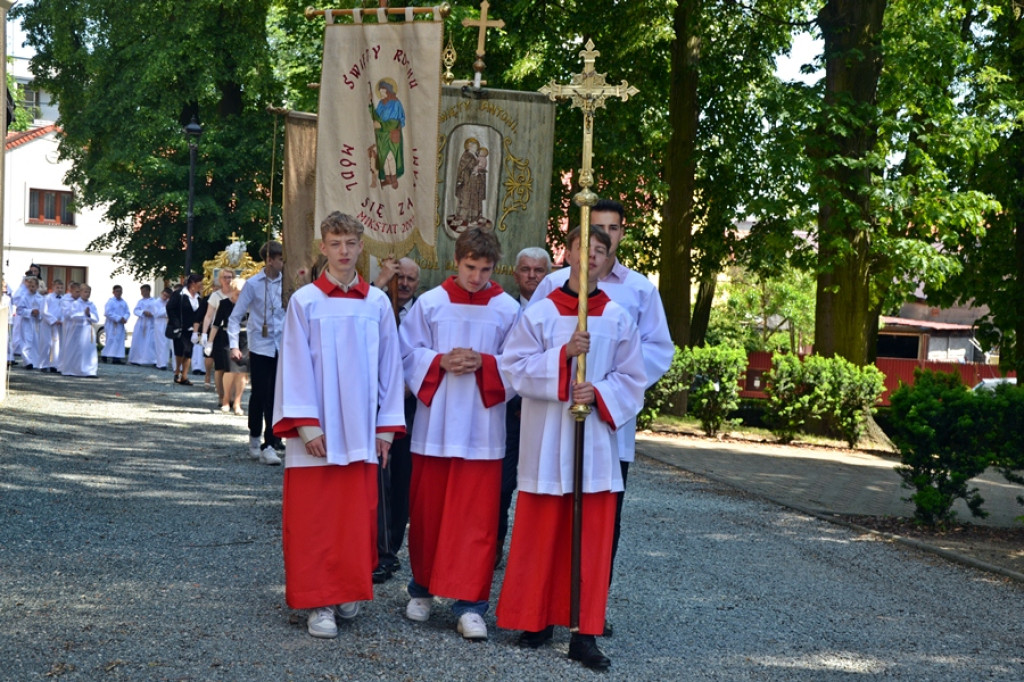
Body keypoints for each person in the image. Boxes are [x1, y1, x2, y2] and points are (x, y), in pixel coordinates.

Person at [496, 227, 645, 670]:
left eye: (601, 251)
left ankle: (585, 632)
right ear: (569, 253)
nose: (592, 257)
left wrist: (596, 395)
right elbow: (513, 369)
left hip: (594, 443)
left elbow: (632, 379)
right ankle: (536, 619)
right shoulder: (541, 312)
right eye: (585, 249)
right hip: (545, 439)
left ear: (607, 260)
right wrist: (562, 356)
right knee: (541, 534)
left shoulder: (618, 317)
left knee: (591, 540)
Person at [529, 199, 673, 631]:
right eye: (594, 230)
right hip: (553, 422)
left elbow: (655, 352)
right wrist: (561, 371)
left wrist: (606, 392)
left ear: (620, 235)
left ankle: (591, 609)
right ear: (574, 242)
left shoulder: (639, 291)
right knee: (549, 517)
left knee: (600, 524)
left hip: (608, 425)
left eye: (610, 229)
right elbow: (525, 345)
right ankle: (543, 610)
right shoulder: (551, 287)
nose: (601, 240)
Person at [272, 211, 406, 639]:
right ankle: (318, 601)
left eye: (350, 243)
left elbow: (391, 368)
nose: (344, 252)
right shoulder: (305, 301)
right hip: (319, 433)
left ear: (360, 246)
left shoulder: (377, 303)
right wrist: (307, 426)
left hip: (361, 431)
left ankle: (347, 588)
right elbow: (292, 364)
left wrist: (385, 428)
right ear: (323, 248)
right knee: (314, 519)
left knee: (354, 517)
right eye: (335, 243)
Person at [399, 227, 520, 641]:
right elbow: (405, 354)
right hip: (435, 428)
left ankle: (470, 603)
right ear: (456, 261)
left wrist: (486, 364)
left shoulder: (507, 309)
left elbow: (521, 364)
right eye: (470, 267)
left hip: (482, 432)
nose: (477, 277)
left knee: (477, 521)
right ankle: (422, 589)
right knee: (429, 512)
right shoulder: (430, 304)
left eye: (485, 269)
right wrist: (438, 362)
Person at [496, 247, 552, 564]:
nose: (532, 276)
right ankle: (495, 546)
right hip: (507, 412)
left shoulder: (558, 312)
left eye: (539, 270)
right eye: (526, 269)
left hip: (544, 411)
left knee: (541, 485)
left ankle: (533, 553)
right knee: (501, 486)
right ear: (515, 274)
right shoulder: (504, 310)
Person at [370, 256, 421, 583]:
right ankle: (379, 550)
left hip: (412, 406)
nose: (403, 284)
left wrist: (409, 385)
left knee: (402, 479)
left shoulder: (422, 312)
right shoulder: (374, 305)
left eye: (410, 280)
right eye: (398, 277)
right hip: (375, 403)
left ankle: (392, 548)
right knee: (379, 477)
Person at [229, 241, 285, 465]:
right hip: (260, 345)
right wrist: (234, 345)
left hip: (282, 344)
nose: (283, 262)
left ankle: (270, 443)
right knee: (260, 393)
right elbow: (235, 317)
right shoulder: (253, 284)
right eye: (280, 258)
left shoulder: (289, 283)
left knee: (276, 395)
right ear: (269, 260)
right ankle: (255, 435)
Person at [208, 277, 247, 414]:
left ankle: (237, 402)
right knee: (230, 370)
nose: (240, 297)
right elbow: (216, 324)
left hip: (245, 338)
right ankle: (225, 399)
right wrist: (209, 342)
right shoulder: (224, 304)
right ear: (232, 291)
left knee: (242, 372)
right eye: (237, 293)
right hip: (227, 338)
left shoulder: (249, 304)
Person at [201, 268, 235, 404]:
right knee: (220, 366)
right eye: (225, 277)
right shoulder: (215, 296)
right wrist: (205, 334)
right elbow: (209, 316)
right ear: (220, 280)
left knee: (233, 367)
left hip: (234, 331)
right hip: (219, 331)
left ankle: (231, 396)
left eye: (230, 277)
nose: (228, 280)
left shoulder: (237, 294)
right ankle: (221, 396)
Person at [166, 274, 205, 386]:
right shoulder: (179, 295)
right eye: (200, 283)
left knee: (189, 351)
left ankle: (184, 375)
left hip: (193, 328)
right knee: (180, 350)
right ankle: (177, 371)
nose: (202, 285)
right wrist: (176, 323)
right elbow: (170, 308)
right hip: (180, 328)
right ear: (193, 283)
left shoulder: (198, 297)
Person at [371, 78, 405, 189]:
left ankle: (394, 178)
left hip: (391, 134)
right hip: (381, 136)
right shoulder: (381, 103)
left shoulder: (395, 103)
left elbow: (396, 121)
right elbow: (376, 116)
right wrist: (370, 106)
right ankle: (387, 178)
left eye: (382, 91)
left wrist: (382, 125)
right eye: (379, 92)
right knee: (383, 158)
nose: (381, 94)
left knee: (390, 157)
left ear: (388, 91)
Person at [62, 284, 99, 378]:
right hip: (78, 330)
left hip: (88, 329)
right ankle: (75, 369)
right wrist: (84, 314)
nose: (87, 294)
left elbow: (96, 318)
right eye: (85, 292)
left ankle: (90, 371)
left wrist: (89, 315)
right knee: (78, 350)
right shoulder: (76, 304)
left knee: (89, 351)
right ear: (81, 292)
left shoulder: (92, 304)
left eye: (89, 292)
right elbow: (73, 316)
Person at [16, 276, 45, 370]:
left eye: (33, 286)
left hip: (36, 322)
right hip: (27, 322)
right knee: (26, 342)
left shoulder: (40, 298)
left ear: (37, 287)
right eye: (30, 286)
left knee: (36, 342)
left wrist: (39, 313)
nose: (32, 288)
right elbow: (19, 310)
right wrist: (30, 312)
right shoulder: (24, 297)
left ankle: (35, 362)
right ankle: (27, 361)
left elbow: (43, 310)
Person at [128, 285, 159, 366]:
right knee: (138, 341)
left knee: (150, 342)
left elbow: (157, 311)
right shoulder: (140, 301)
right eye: (141, 291)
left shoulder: (154, 301)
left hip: (150, 323)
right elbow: (135, 310)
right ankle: (136, 359)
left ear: (148, 291)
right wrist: (143, 312)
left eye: (144, 291)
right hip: (141, 323)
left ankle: (152, 360)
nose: (142, 293)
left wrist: (152, 314)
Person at [40, 279, 66, 373]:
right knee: (46, 343)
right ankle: (43, 364)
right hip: (48, 323)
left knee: (57, 344)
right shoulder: (47, 298)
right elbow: (44, 311)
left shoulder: (63, 299)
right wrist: (54, 320)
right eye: (57, 287)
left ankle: (55, 365)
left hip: (59, 324)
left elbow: (64, 311)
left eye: (61, 287)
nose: (59, 289)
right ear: (53, 287)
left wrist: (62, 320)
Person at [101, 285, 130, 365]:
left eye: (120, 291)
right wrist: (118, 318)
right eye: (117, 291)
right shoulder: (111, 302)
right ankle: (105, 355)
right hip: (112, 324)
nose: (119, 293)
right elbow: (107, 313)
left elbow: (127, 312)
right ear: (113, 292)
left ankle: (117, 358)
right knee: (111, 340)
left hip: (120, 325)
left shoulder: (123, 302)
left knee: (119, 341)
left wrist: (124, 318)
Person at [57, 282, 81, 374]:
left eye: (79, 292)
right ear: (70, 291)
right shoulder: (65, 300)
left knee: (76, 346)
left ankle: (74, 366)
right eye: (76, 291)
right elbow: (66, 313)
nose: (78, 294)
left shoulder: (80, 300)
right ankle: (63, 366)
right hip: (68, 325)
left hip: (77, 326)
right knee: (66, 345)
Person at [153, 287, 173, 371]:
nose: (165, 298)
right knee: (160, 343)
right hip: (159, 323)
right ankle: (160, 363)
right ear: (162, 293)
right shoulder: (156, 302)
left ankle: (165, 362)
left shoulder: (168, 302)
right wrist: (166, 308)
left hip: (167, 322)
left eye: (167, 296)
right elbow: (157, 313)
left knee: (166, 343)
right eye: (164, 295)